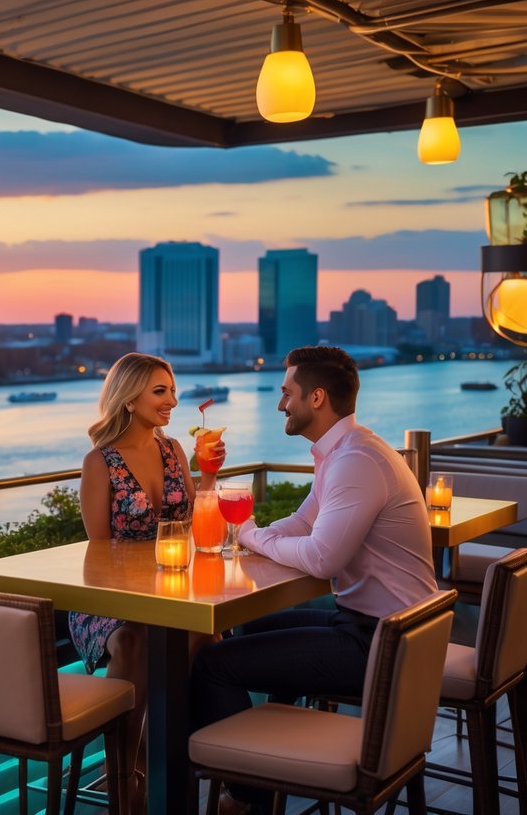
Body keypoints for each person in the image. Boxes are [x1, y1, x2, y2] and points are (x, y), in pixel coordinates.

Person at [189, 345, 436, 814]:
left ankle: (250, 798)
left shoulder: (355, 462)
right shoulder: (347, 451)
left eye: (287, 393)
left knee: (211, 665)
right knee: (251, 630)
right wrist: (250, 539)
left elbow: (322, 558)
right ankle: (272, 757)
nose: (281, 403)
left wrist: (247, 535)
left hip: (382, 645)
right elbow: (303, 524)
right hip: (381, 627)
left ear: (317, 397)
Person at [70, 352, 223, 811]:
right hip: (110, 601)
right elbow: (99, 554)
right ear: (129, 398)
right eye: (160, 391)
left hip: (174, 594)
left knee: (204, 633)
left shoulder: (174, 450)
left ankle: (172, 763)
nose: (172, 400)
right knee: (136, 641)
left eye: (173, 391)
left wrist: (210, 472)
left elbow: (200, 521)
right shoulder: (101, 462)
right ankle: (125, 775)